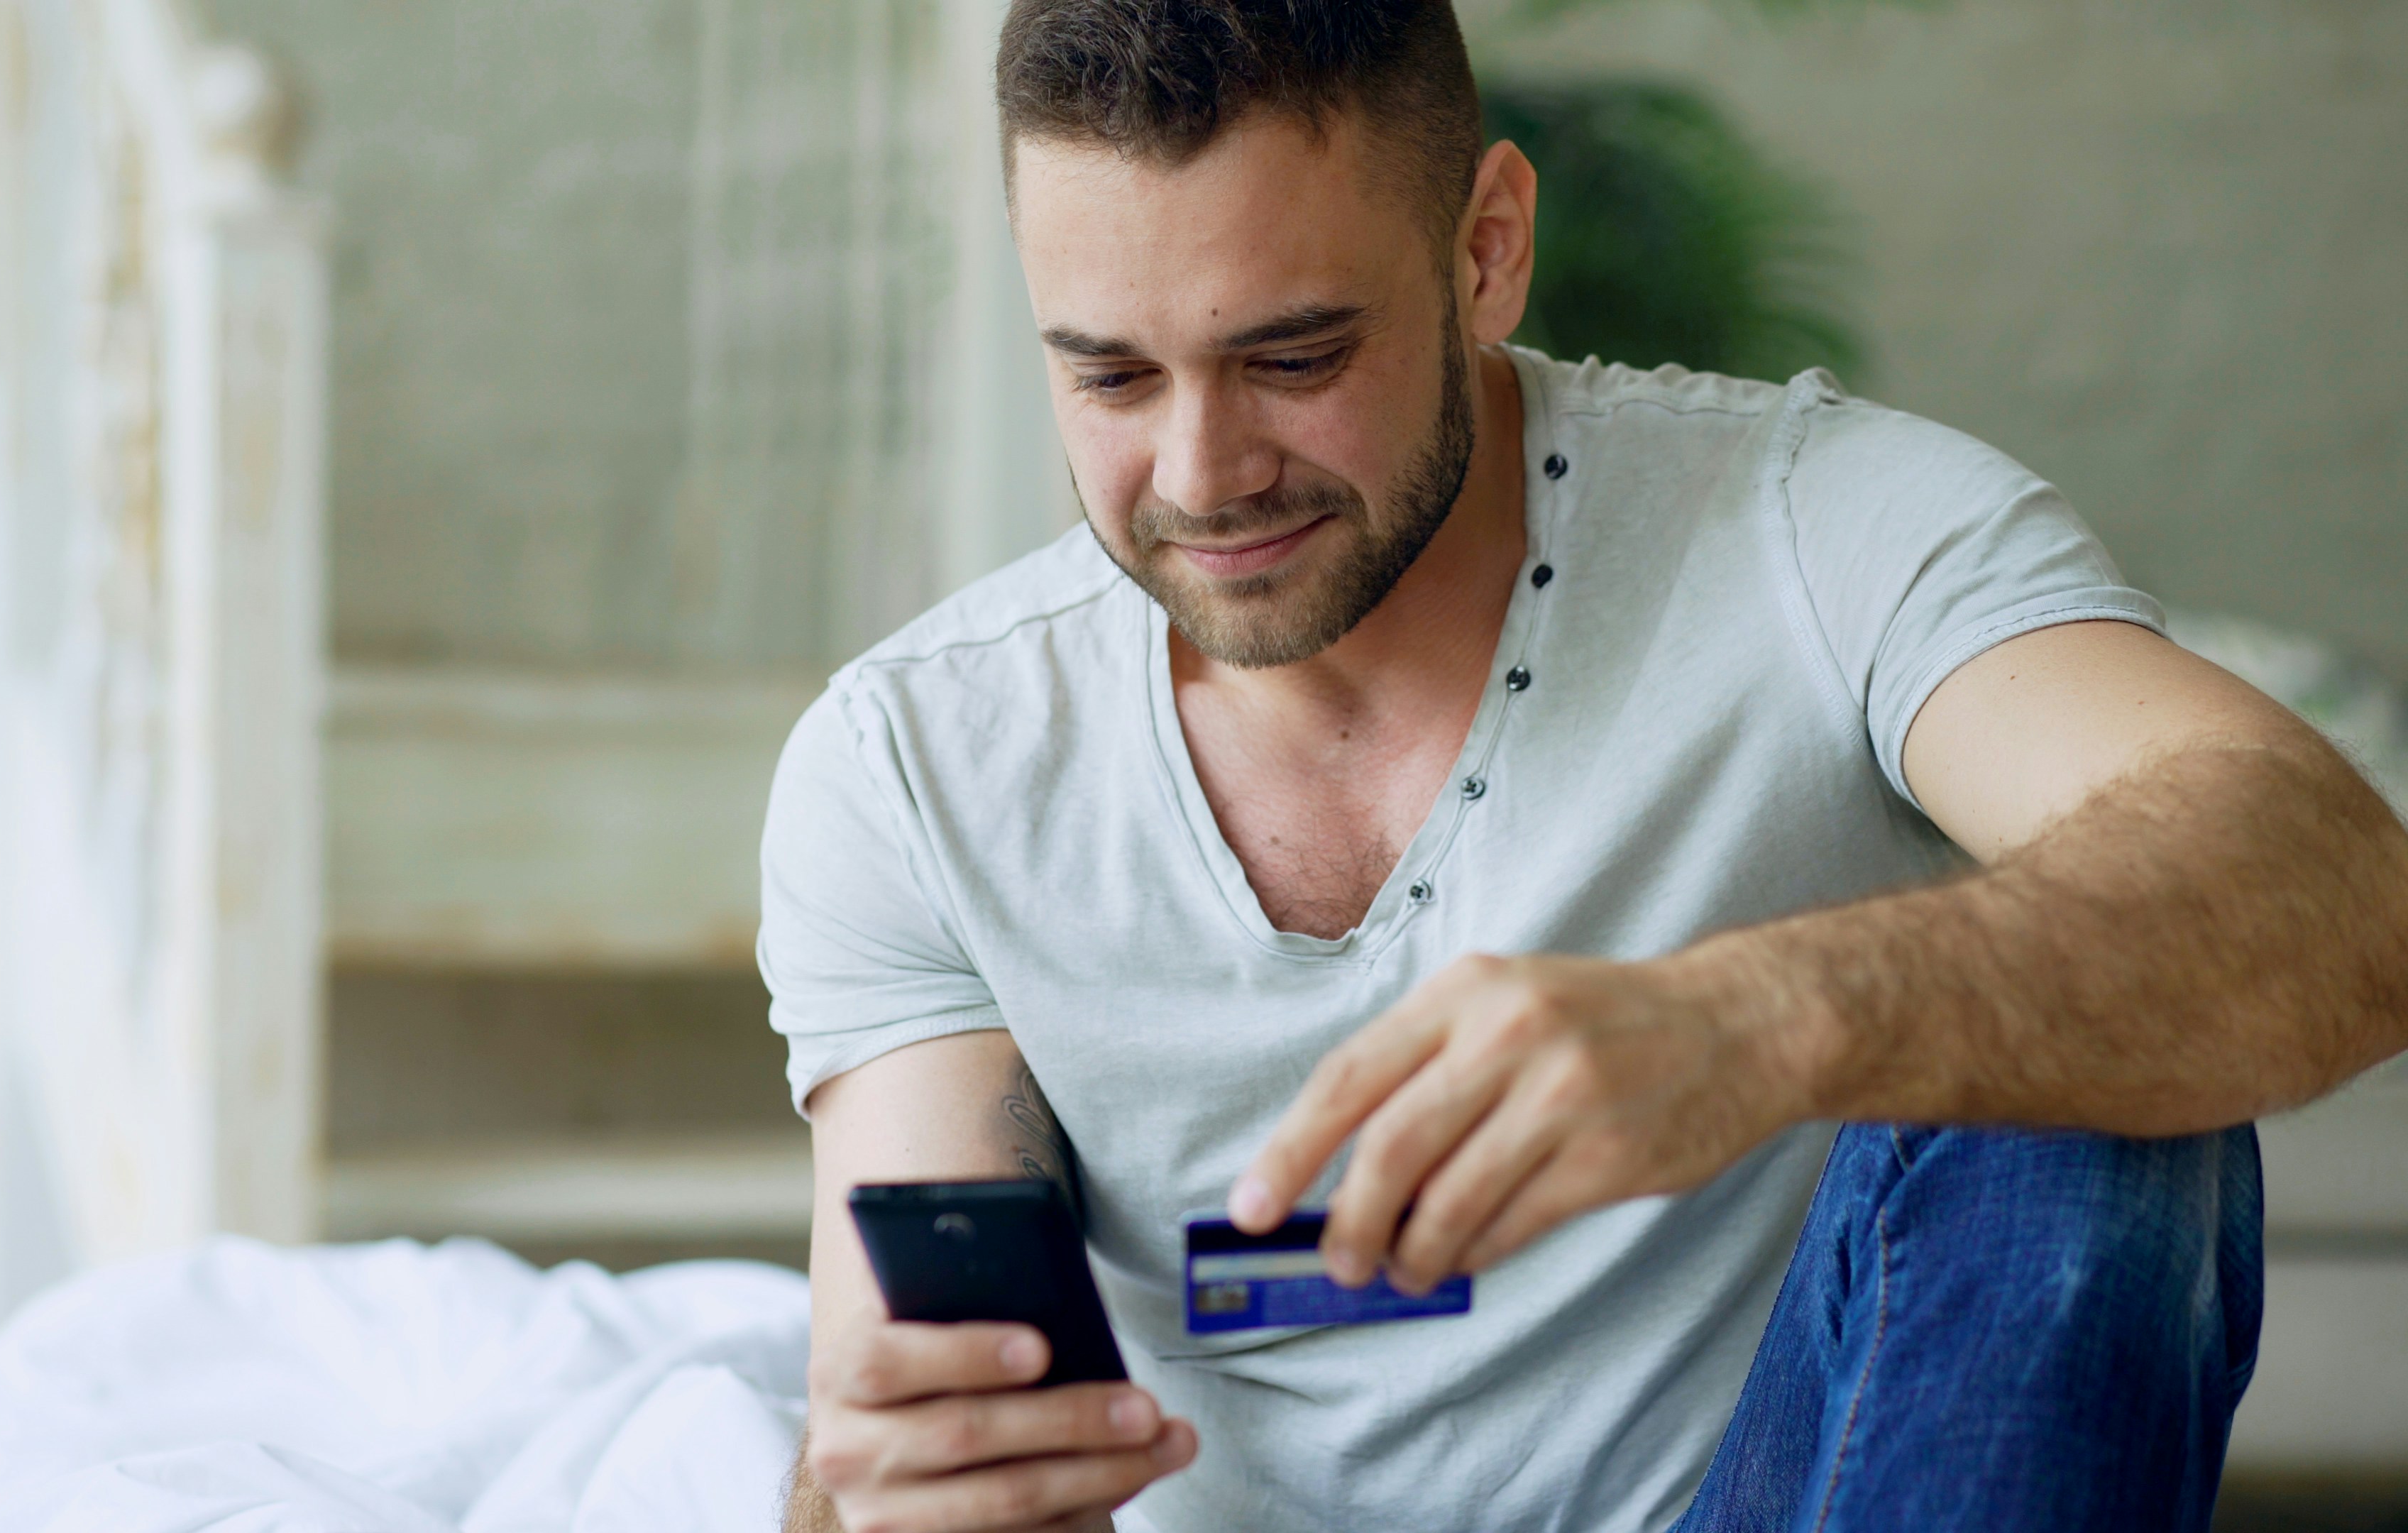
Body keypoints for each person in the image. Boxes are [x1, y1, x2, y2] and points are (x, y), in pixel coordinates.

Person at [757, 4, 2408, 1530]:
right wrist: (891, 1485)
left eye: (1295, 357)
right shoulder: (915, 766)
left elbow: (2333, 889)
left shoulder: (1816, 535)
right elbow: (895, 1405)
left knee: (2101, 1050)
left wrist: (1759, 1021)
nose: (1200, 475)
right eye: (1109, 376)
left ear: (1487, 249)